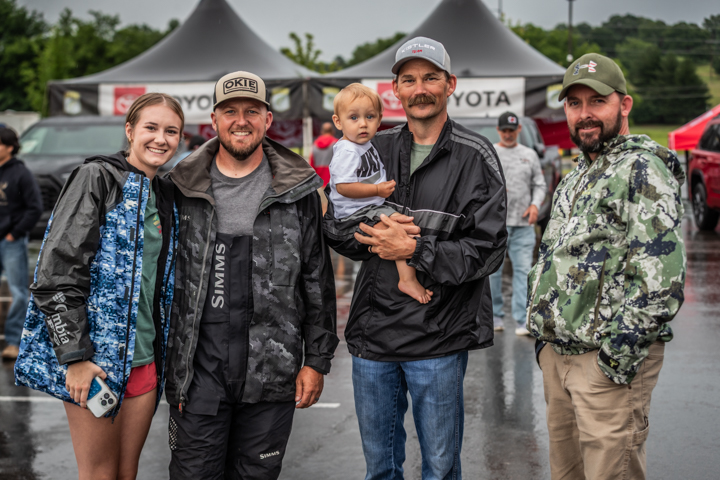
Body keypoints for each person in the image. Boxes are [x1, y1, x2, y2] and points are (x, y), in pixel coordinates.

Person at [324, 37, 507, 479]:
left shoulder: (476, 156)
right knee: (380, 471)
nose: (420, 88)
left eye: (430, 78)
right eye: (409, 80)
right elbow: (337, 227)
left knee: (440, 471)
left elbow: (488, 251)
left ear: (450, 84)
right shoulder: (374, 146)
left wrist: (414, 249)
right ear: (396, 90)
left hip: (439, 338)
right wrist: (374, 237)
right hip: (373, 338)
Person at [166, 71, 337, 480]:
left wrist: (317, 360)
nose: (241, 121)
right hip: (198, 375)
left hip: (271, 375)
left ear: (267, 119)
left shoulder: (297, 190)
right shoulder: (178, 188)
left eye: (251, 111)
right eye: (230, 111)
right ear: (214, 119)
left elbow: (316, 280)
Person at [527, 53, 686, 480]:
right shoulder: (576, 176)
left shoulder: (642, 169)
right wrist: (544, 345)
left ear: (624, 104)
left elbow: (661, 280)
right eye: (574, 103)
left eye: (597, 101)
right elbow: (551, 255)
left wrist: (615, 360)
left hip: (606, 366)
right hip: (559, 358)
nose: (585, 114)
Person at [14, 92, 182, 479]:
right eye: (151, 128)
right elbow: (55, 274)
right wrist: (74, 358)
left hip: (145, 361)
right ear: (130, 130)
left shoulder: (164, 193)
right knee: (99, 475)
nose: (161, 139)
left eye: (171, 131)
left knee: (125, 473)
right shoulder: (97, 177)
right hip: (95, 364)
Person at [329, 83, 432, 304]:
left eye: (370, 117)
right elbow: (343, 186)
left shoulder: (365, 144)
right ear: (338, 122)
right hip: (354, 214)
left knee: (410, 228)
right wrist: (377, 189)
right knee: (401, 232)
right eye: (354, 118)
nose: (363, 124)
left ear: (379, 119)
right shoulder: (347, 150)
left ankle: (409, 273)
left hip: (371, 208)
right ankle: (407, 280)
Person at [489, 112, 546, 335]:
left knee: (523, 272)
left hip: (523, 225)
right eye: (504, 130)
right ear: (498, 130)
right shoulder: (490, 153)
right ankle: (494, 316)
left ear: (519, 130)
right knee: (492, 272)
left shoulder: (529, 155)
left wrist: (535, 205)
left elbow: (539, 184)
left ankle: (523, 320)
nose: (508, 134)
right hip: (496, 225)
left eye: (512, 131)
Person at [0, 126, 42, 360]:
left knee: (17, 292)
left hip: (11, 241)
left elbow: (35, 208)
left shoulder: (21, 173)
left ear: (9, 147)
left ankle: (14, 342)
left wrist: (14, 234)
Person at [309, 122, 337, 186]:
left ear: (322, 132)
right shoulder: (337, 143)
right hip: (333, 182)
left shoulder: (315, 144)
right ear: (333, 132)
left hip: (319, 182)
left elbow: (311, 164)